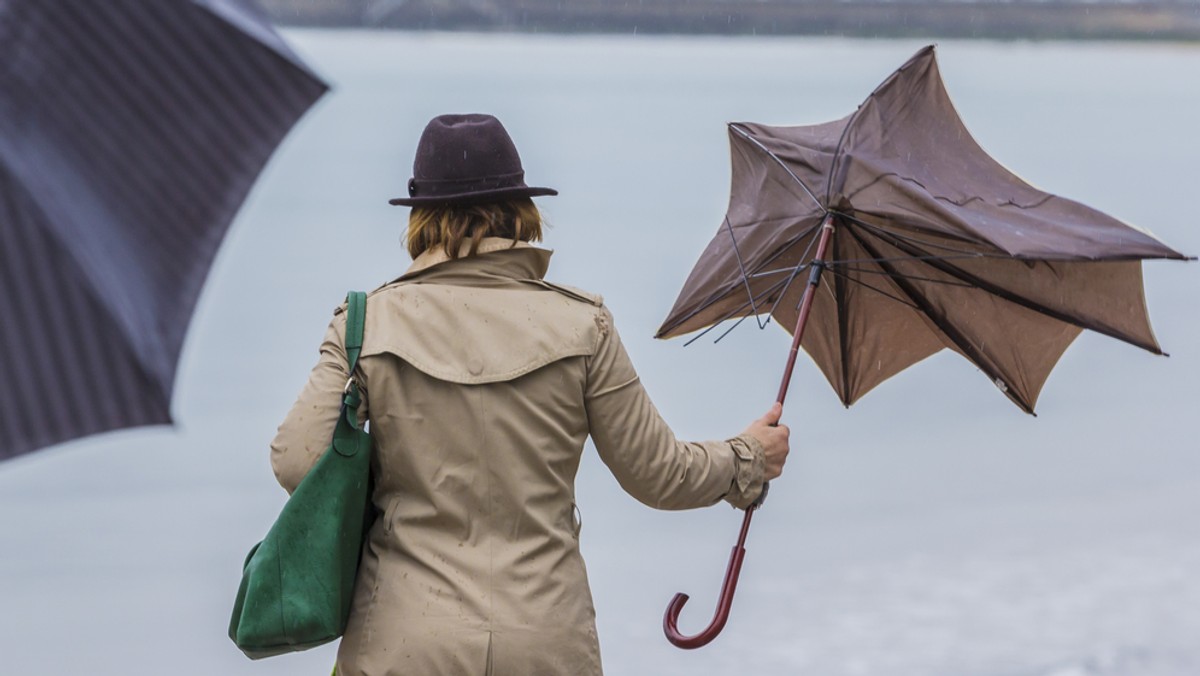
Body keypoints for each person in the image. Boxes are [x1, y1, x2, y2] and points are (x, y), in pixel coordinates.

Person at [269, 113, 790, 675]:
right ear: (520, 212)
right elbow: (658, 474)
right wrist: (748, 458)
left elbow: (298, 460)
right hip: (545, 640)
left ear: (420, 217)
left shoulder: (365, 325)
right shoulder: (583, 325)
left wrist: (390, 480)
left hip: (405, 639)